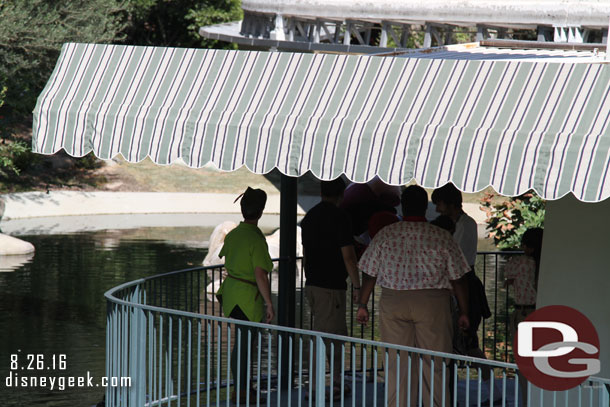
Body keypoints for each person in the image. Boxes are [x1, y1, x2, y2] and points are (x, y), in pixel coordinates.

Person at [357, 185, 470, 407]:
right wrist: (464, 311)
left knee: (397, 363)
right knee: (435, 363)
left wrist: (363, 304)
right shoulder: (441, 236)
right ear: (426, 207)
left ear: (402, 206)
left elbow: (369, 273)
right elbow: (458, 278)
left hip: (393, 301)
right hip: (433, 304)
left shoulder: (386, 234)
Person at [300, 178, 361, 400]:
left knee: (323, 333)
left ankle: (322, 383)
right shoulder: (341, 218)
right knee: (332, 337)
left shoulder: (309, 218)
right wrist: (357, 286)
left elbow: (306, 254)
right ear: (341, 194)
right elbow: (348, 257)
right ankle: (326, 386)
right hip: (331, 287)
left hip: (313, 284)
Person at [216, 187, 275, 404]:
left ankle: (241, 388)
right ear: (260, 212)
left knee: (241, 342)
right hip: (247, 297)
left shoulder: (234, 234)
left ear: (243, 209)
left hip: (231, 293)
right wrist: (269, 303)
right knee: (245, 344)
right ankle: (242, 390)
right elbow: (260, 273)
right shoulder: (255, 239)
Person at [432, 184, 491, 369]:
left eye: (439, 204)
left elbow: (460, 260)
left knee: (468, 341)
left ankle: (493, 390)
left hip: (464, 283)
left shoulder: (466, 224)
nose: (436, 209)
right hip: (454, 282)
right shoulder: (452, 223)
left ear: (450, 204)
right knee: (451, 341)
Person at [505, 227, 543, 407]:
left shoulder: (521, 262)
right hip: (541, 312)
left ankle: (527, 401)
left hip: (523, 313)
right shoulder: (546, 263)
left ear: (529, 246)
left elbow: (506, 277)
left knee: (524, 362)